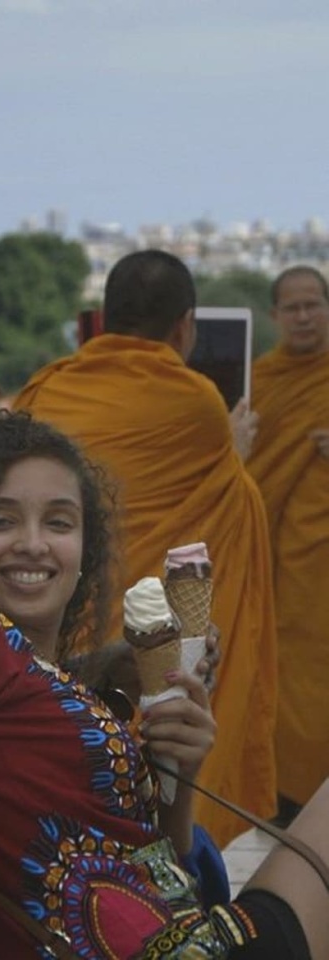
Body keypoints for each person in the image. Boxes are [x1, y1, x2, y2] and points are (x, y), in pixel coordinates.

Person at [0, 409, 326, 960]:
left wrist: (181, 773)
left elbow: (161, 868)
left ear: (85, 551)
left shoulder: (56, 680)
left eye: (59, 523)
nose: (33, 544)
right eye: (1, 520)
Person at [12, 249, 278, 849]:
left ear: (103, 319)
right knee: (146, 785)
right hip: (147, 643)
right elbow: (228, 500)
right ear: (184, 326)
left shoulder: (48, 388)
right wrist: (235, 451)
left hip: (57, 624)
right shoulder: (198, 403)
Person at [246, 265, 329, 826]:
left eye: (314, 304)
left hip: (319, 554)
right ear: (274, 316)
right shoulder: (260, 381)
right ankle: (287, 791)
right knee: (280, 664)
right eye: (292, 307)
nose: (304, 316)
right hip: (266, 551)